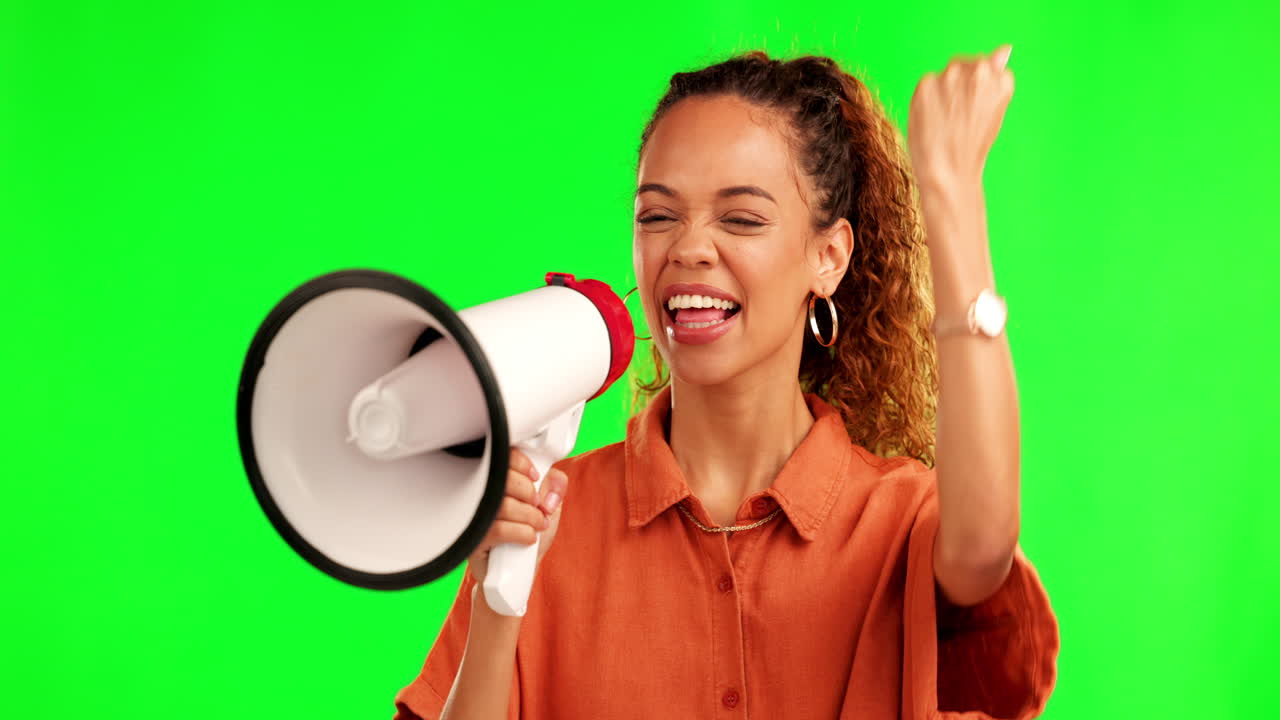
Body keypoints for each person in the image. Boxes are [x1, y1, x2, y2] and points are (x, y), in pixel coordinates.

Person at [393, 45, 1059, 719]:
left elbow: (983, 548)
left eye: (740, 218)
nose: (688, 248)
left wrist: (950, 189)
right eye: (658, 216)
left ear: (828, 258)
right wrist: (498, 607)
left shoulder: (897, 524)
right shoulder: (550, 519)